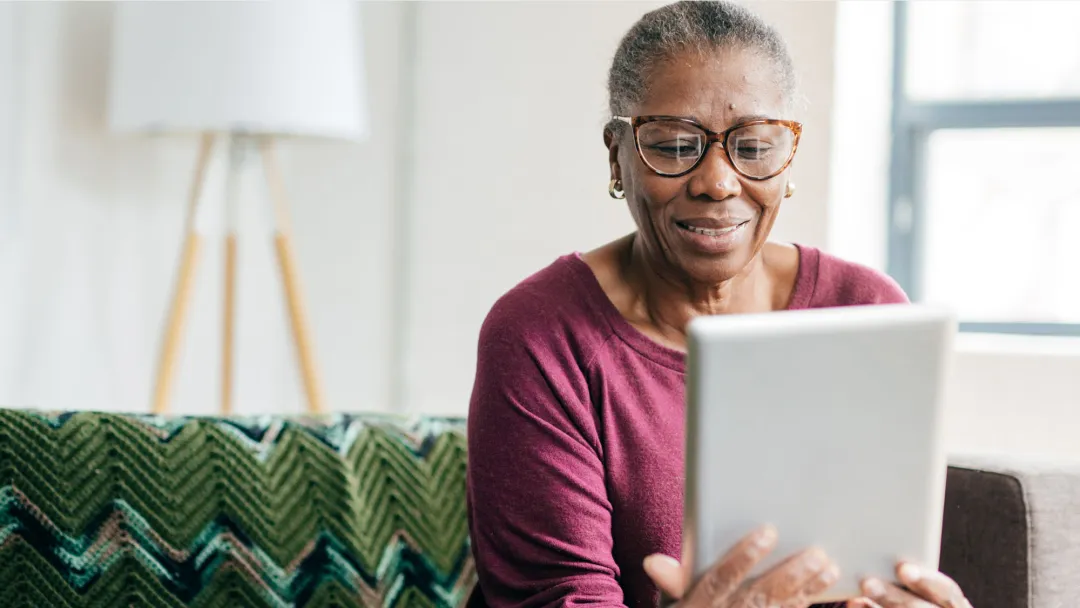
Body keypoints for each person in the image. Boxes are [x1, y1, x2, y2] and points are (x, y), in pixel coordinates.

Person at [465, 2, 974, 607]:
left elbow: (885, 563)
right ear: (616, 155)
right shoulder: (541, 334)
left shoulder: (865, 310)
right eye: (676, 146)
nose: (718, 182)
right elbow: (558, 597)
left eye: (755, 147)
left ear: (788, 158)